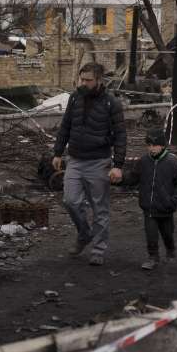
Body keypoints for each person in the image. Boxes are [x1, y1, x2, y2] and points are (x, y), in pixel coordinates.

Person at [52, 62, 127, 265]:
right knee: (70, 201)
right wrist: (58, 152)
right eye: (81, 79)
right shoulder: (75, 98)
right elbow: (66, 125)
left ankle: (98, 249)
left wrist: (118, 165)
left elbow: (121, 136)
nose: (83, 83)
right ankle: (84, 234)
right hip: (75, 160)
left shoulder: (112, 103)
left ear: (99, 80)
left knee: (99, 209)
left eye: (88, 80)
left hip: (99, 162)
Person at [135, 128, 177, 271]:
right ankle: (153, 257)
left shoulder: (173, 162)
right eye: (149, 145)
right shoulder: (143, 161)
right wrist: (118, 179)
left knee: (167, 234)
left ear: (162, 145)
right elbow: (133, 177)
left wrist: (174, 200)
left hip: (166, 209)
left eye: (154, 145)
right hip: (149, 208)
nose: (151, 148)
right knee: (151, 234)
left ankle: (170, 249)